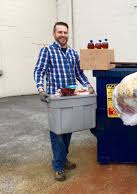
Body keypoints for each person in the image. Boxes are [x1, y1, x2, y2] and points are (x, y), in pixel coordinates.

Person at [33, 21, 93, 181]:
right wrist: (41, 89)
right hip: (55, 99)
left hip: (71, 97)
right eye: (60, 32)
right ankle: (58, 166)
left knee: (67, 129)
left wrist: (88, 86)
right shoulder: (47, 51)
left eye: (65, 32)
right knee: (57, 132)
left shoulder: (73, 53)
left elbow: (79, 74)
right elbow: (39, 70)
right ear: (54, 34)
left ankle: (63, 159)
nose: (63, 35)